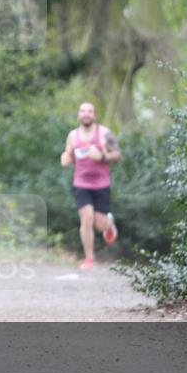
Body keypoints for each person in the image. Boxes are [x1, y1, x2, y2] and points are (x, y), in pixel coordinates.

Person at [60, 102, 122, 270]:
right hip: (81, 184)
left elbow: (117, 154)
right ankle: (89, 258)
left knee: (99, 225)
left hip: (102, 184)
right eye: (83, 111)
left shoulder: (104, 133)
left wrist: (102, 156)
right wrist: (65, 159)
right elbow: (68, 154)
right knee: (86, 218)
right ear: (79, 115)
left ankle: (108, 223)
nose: (86, 114)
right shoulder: (73, 135)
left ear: (95, 115)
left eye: (90, 111)